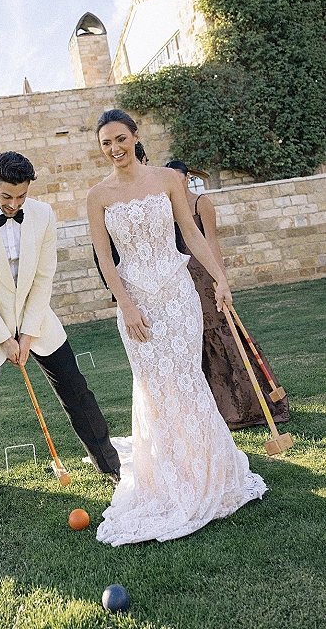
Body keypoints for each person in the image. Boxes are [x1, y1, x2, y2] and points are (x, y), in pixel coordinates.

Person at [87, 111, 266, 546]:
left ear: (135, 137)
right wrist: (125, 304)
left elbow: (190, 230)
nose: (115, 149)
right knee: (154, 388)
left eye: (121, 139)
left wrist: (219, 276)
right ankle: (168, 479)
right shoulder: (98, 195)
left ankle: (208, 473)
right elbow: (105, 258)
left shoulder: (169, 179)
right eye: (106, 143)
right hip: (137, 304)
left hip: (178, 295)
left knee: (185, 381)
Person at [0, 151, 120, 541]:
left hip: (37, 320)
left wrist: (26, 334)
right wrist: (4, 338)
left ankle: (111, 468)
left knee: (77, 392)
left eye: (21, 197)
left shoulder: (43, 215)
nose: (14, 204)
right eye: (7, 197)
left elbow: (44, 277)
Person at [165, 160, 290, 429]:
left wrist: (221, 279)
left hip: (205, 276)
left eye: (178, 178)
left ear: (186, 178)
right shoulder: (167, 207)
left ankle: (245, 404)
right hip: (182, 279)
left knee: (221, 332)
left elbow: (211, 242)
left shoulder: (201, 204)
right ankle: (212, 409)